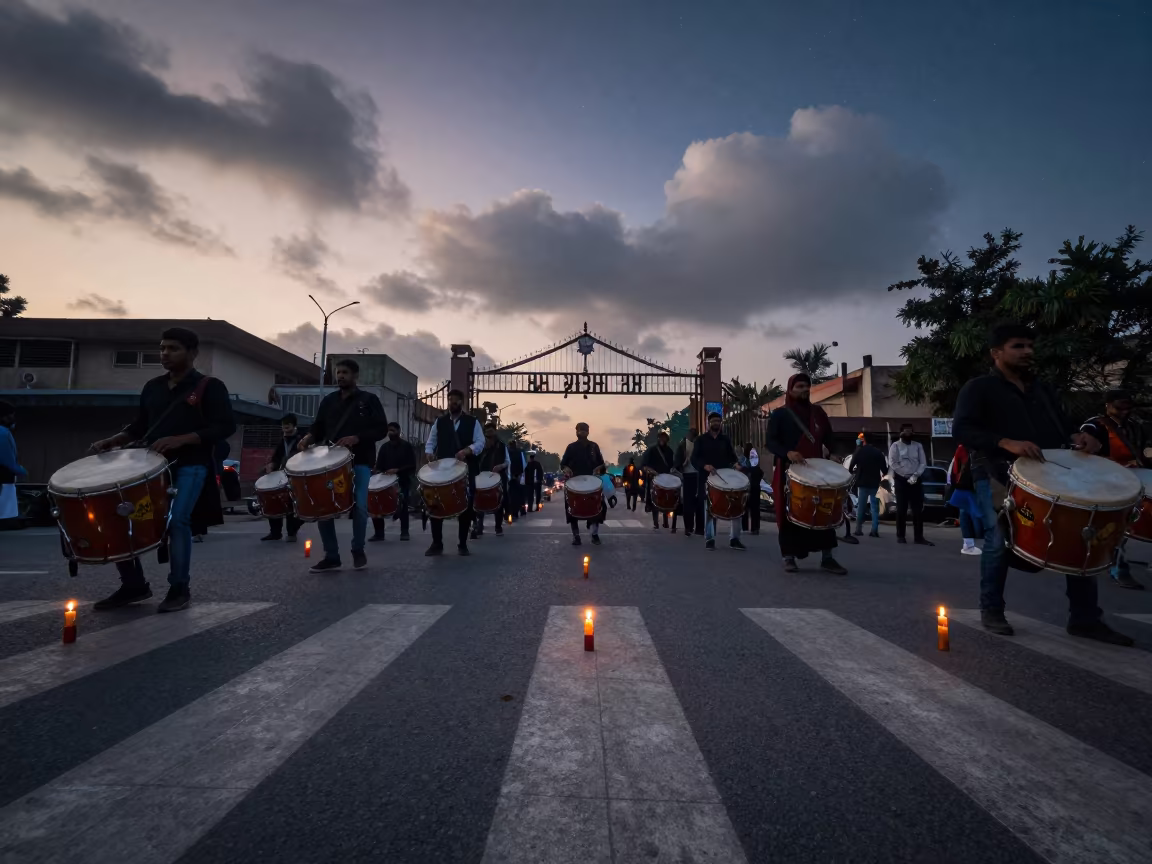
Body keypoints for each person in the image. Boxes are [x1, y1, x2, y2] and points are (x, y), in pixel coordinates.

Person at [953, 322, 1131, 645]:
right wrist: (1006, 442)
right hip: (994, 472)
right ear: (996, 353)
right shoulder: (978, 388)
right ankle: (991, 609)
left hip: (1049, 475)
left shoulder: (1042, 390)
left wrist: (1079, 436)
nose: (1027, 352)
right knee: (998, 537)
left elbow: (1063, 427)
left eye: (1030, 346)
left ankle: (1085, 618)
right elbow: (962, 430)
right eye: (1018, 346)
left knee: (1082, 535)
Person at [88, 328, 235, 612]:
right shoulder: (152, 387)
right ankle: (134, 585)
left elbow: (224, 426)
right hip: (149, 468)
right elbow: (141, 425)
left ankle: (179, 588)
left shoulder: (209, 386)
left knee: (178, 521)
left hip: (191, 465)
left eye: (173, 348)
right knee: (122, 518)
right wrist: (114, 440)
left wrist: (182, 438)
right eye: (163, 348)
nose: (165, 353)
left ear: (193, 353)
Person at [297, 358, 387, 573]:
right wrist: (308, 437)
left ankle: (358, 549)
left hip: (360, 461)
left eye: (345, 372)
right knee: (323, 507)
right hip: (329, 464)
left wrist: (357, 437)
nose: (340, 376)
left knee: (360, 506)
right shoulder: (328, 401)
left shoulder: (369, 400)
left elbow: (381, 429)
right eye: (338, 373)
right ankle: (332, 556)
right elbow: (318, 427)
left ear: (355, 376)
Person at [765, 374, 846, 574]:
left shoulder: (818, 413)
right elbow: (771, 442)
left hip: (817, 472)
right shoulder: (780, 415)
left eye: (807, 386)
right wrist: (787, 453)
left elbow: (829, 437)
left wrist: (834, 453)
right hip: (789, 473)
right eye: (800, 386)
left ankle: (827, 558)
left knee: (824, 512)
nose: (805, 390)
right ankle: (789, 557)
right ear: (790, 388)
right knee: (790, 514)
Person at [1081, 389, 1150, 590]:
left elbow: (1142, 453)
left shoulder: (1135, 426)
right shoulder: (1094, 426)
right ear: (1108, 405)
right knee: (1114, 524)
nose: (1124, 412)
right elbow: (1082, 455)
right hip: (1102, 481)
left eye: (1128, 408)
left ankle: (1110, 561)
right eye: (1119, 408)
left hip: (1131, 481)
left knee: (1123, 525)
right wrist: (1112, 464)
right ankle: (1116, 568)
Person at [424, 388, 483, 556]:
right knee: (436, 505)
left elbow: (480, 442)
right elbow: (431, 440)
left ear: (461, 403)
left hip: (464, 470)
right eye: (450, 400)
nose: (453, 403)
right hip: (442, 470)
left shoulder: (472, 422)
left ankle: (462, 544)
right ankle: (437, 543)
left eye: (456, 401)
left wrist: (467, 450)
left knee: (464, 506)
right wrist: (429, 452)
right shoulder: (440, 421)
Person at [691, 412, 746, 551]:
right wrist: (705, 466)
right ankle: (710, 538)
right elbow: (694, 458)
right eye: (714, 421)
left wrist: (736, 465)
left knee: (736, 505)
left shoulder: (725, 440)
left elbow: (732, 457)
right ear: (709, 423)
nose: (716, 423)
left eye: (718, 421)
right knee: (710, 508)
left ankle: (735, 539)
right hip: (707, 478)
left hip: (725, 478)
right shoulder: (700, 440)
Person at [560, 422, 607, 546]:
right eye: (580, 430)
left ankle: (595, 534)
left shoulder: (594, 446)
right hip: (574, 482)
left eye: (584, 430)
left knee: (600, 506)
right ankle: (576, 536)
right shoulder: (571, 447)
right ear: (576, 432)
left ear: (588, 432)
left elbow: (602, 465)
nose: (582, 432)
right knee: (571, 507)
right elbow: (563, 464)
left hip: (592, 483)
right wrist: (566, 469)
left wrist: (599, 469)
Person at [369, 421, 417, 542]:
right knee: (376, 504)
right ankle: (379, 533)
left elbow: (412, 465)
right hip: (386, 482)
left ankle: (404, 532)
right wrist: (377, 471)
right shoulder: (384, 448)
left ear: (398, 431)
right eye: (389, 431)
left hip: (402, 480)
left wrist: (398, 470)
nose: (391, 433)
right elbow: (379, 465)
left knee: (403, 505)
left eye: (393, 431)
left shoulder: (406, 446)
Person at [260, 414, 304, 542]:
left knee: (292, 505)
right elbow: (276, 457)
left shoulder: (301, 440)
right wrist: (271, 465)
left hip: (297, 475)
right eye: (283, 426)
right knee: (273, 499)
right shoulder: (283, 441)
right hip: (283, 475)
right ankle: (275, 532)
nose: (285, 429)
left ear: (294, 426)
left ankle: (292, 531)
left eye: (288, 426)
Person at [888, 424, 933, 546]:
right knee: (901, 509)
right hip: (901, 480)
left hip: (915, 480)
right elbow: (892, 462)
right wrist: (904, 475)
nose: (908, 434)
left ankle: (919, 537)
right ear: (901, 433)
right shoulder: (895, 446)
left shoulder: (918, 446)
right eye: (906, 432)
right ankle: (901, 536)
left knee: (917, 510)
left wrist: (915, 476)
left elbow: (923, 463)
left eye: (910, 432)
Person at [473, 422, 509, 538]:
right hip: (481, 478)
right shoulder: (480, 446)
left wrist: (500, 466)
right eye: (487, 433)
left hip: (497, 478)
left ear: (495, 432)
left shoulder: (502, 446)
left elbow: (508, 461)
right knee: (479, 502)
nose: (489, 435)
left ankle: (498, 527)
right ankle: (479, 526)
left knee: (498, 502)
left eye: (491, 432)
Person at [947, 443, 983, 556]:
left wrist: (953, 485)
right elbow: (955, 468)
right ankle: (977, 544)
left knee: (966, 514)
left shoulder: (962, 447)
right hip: (973, 485)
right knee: (977, 514)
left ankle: (969, 544)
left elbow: (953, 469)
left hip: (964, 485)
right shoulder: (972, 448)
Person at [849, 436, 888, 538]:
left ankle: (858, 530)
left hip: (862, 483)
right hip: (874, 483)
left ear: (864, 440)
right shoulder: (878, 453)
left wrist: (853, 472)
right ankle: (874, 530)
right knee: (874, 508)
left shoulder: (860, 451)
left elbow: (851, 465)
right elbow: (885, 470)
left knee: (861, 507)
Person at [643, 430, 678, 532]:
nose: (662, 440)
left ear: (667, 440)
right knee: (654, 500)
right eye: (661, 438)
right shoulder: (652, 450)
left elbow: (672, 465)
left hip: (666, 477)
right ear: (658, 439)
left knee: (667, 499)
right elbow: (644, 465)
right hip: (654, 478)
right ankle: (656, 523)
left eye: (664, 438)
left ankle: (666, 521)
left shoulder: (670, 451)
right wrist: (652, 471)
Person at [0, 401, 26, 525]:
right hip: (4, 477)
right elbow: (7, 459)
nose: (12, 418)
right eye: (10, 415)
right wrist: (21, 470)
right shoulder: (3, 433)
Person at [674, 428, 702, 537]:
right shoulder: (683, 445)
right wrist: (682, 465)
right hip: (687, 475)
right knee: (688, 504)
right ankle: (688, 527)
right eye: (691, 434)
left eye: (694, 434)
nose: (692, 436)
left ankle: (699, 528)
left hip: (698, 475)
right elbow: (677, 461)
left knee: (699, 502)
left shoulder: (699, 444)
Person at [740, 443, 763, 535]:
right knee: (755, 509)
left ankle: (745, 527)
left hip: (745, 487)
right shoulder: (754, 461)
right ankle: (755, 528)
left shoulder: (743, 461)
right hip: (755, 487)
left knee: (744, 508)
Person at [507, 439, 525, 519]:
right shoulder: (519, 452)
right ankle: (516, 512)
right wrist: (519, 475)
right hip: (516, 477)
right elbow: (523, 465)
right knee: (517, 495)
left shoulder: (506, 452)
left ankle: (509, 512)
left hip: (508, 477)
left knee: (508, 495)